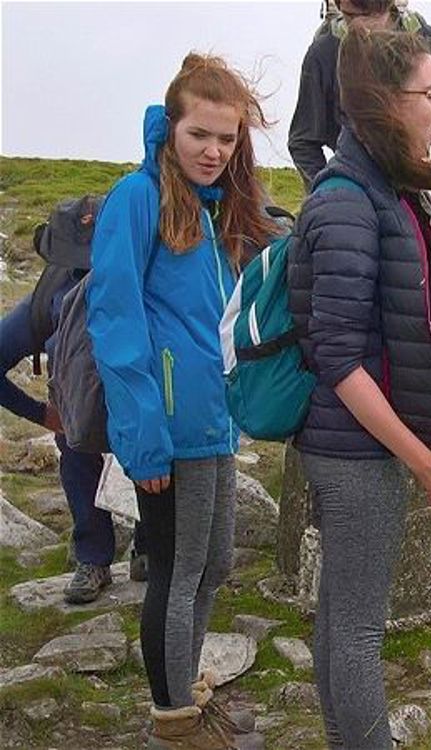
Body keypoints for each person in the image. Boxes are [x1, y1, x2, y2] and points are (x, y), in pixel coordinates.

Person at [287, 28, 431, 749]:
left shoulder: (379, 188)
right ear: (380, 102)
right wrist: (421, 460)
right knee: (359, 629)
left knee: (340, 618)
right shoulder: (346, 203)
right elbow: (339, 361)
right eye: (427, 94)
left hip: (355, 446)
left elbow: (400, 329)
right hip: (356, 454)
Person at [86, 52, 278, 748]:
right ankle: (175, 722)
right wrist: (141, 436)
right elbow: (114, 318)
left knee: (216, 562)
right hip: (167, 426)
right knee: (177, 568)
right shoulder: (137, 198)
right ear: (172, 126)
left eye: (227, 139)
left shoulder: (213, 204)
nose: (214, 150)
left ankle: (186, 689)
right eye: (201, 134)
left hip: (213, 418)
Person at [0, 284, 144, 604]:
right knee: (76, 448)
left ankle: (148, 549)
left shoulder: (148, 272)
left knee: (150, 452)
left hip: (144, 413)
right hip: (79, 415)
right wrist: (41, 414)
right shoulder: (58, 289)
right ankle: (93, 558)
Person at [288, 0, 431, 189]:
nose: (360, 26)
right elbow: (303, 141)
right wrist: (328, 190)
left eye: (370, 16)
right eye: (350, 17)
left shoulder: (430, 42)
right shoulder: (324, 53)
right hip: (358, 186)